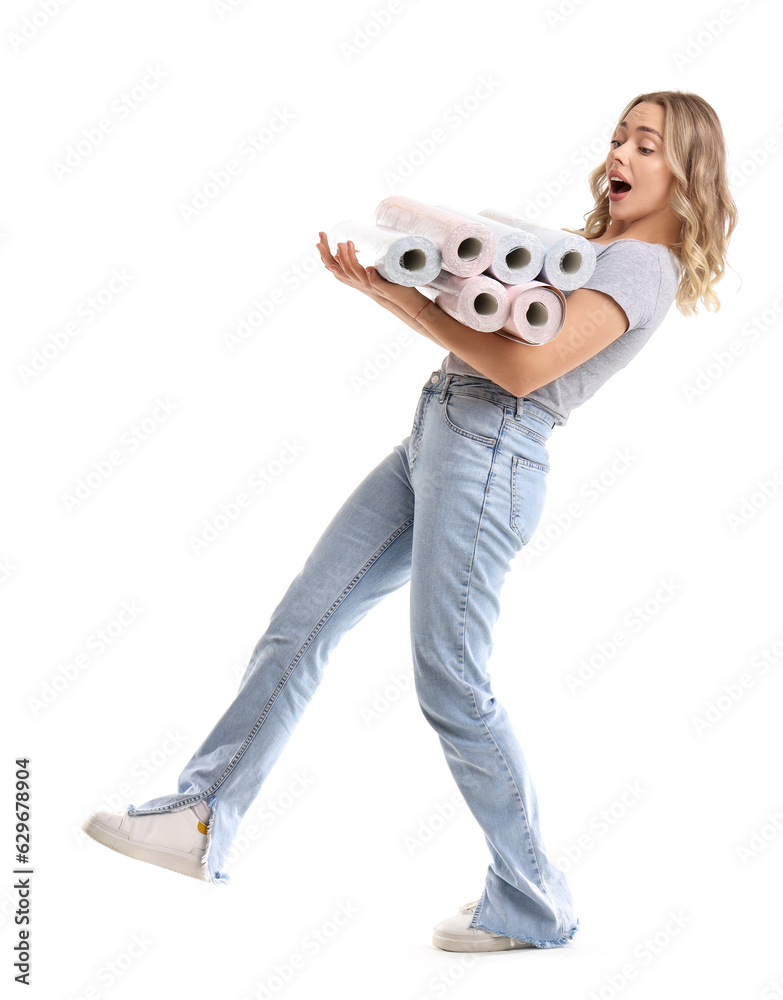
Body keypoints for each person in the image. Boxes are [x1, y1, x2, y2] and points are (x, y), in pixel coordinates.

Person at [82, 90, 737, 953]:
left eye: (646, 144)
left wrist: (405, 306)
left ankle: (534, 900)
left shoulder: (640, 268)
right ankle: (199, 814)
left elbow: (524, 369)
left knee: (450, 684)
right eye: (618, 136)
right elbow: (486, 335)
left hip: (491, 452)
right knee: (303, 619)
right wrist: (386, 286)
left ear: (685, 167)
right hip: (439, 434)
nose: (619, 151)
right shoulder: (594, 248)